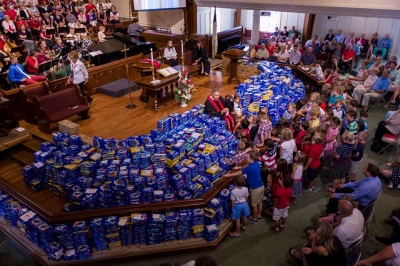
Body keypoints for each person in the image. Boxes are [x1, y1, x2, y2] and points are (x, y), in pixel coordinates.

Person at [224, 151, 264, 224]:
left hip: (255, 188)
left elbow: (240, 173)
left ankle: (254, 219)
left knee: (254, 205)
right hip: (261, 186)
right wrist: (240, 167)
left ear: (252, 159)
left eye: (248, 157)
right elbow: (247, 167)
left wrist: (229, 175)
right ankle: (259, 215)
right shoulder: (256, 163)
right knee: (260, 202)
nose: (246, 157)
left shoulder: (251, 167)